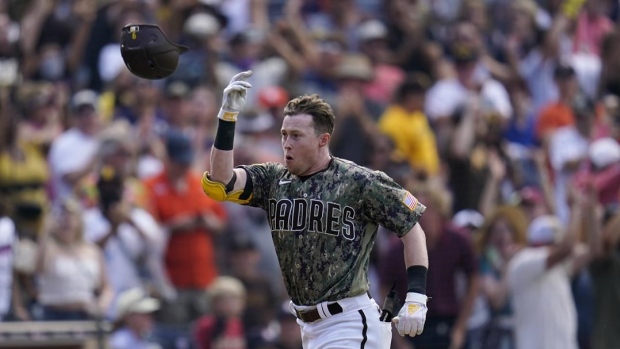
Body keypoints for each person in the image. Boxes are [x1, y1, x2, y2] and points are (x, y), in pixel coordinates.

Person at [201, 70, 429, 349]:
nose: (286, 143)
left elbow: (411, 226)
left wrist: (416, 295)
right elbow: (221, 181)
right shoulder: (273, 179)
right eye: (284, 134)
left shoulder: (359, 181)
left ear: (323, 139)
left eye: (296, 135)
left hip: (350, 320)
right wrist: (227, 119)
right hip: (306, 325)